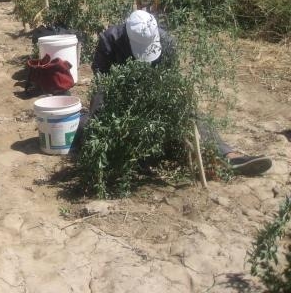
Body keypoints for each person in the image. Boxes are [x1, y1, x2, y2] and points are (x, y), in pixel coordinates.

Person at [77, 10, 272, 176]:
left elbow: (170, 79)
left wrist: (157, 99)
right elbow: (102, 79)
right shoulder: (110, 39)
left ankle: (228, 156)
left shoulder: (167, 41)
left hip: (154, 90)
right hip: (119, 93)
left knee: (188, 111)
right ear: (127, 35)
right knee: (99, 108)